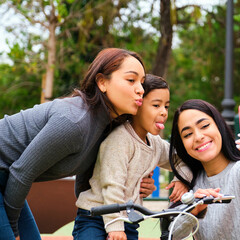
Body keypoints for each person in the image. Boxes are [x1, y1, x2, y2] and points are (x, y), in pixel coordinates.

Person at [0, 48, 157, 240]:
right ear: (102, 82)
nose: (141, 89)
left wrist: (136, 186)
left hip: (8, 179)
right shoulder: (75, 122)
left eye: (142, 82)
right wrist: (14, 232)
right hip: (10, 175)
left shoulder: (106, 129)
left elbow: (87, 187)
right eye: (131, 80)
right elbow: (21, 172)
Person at [73, 74, 191, 240]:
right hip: (96, 215)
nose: (163, 112)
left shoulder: (155, 143)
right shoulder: (120, 140)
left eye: (166, 106)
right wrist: (115, 227)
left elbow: (183, 160)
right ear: (138, 105)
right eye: (156, 105)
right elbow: (112, 185)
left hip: (128, 219)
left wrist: (182, 178)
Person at [167, 99, 240, 240]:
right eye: (187, 134)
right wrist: (192, 211)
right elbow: (171, 234)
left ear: (219, 126)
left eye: (204, 126)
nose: (198, 137)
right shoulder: (189, 185)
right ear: (183, 144)